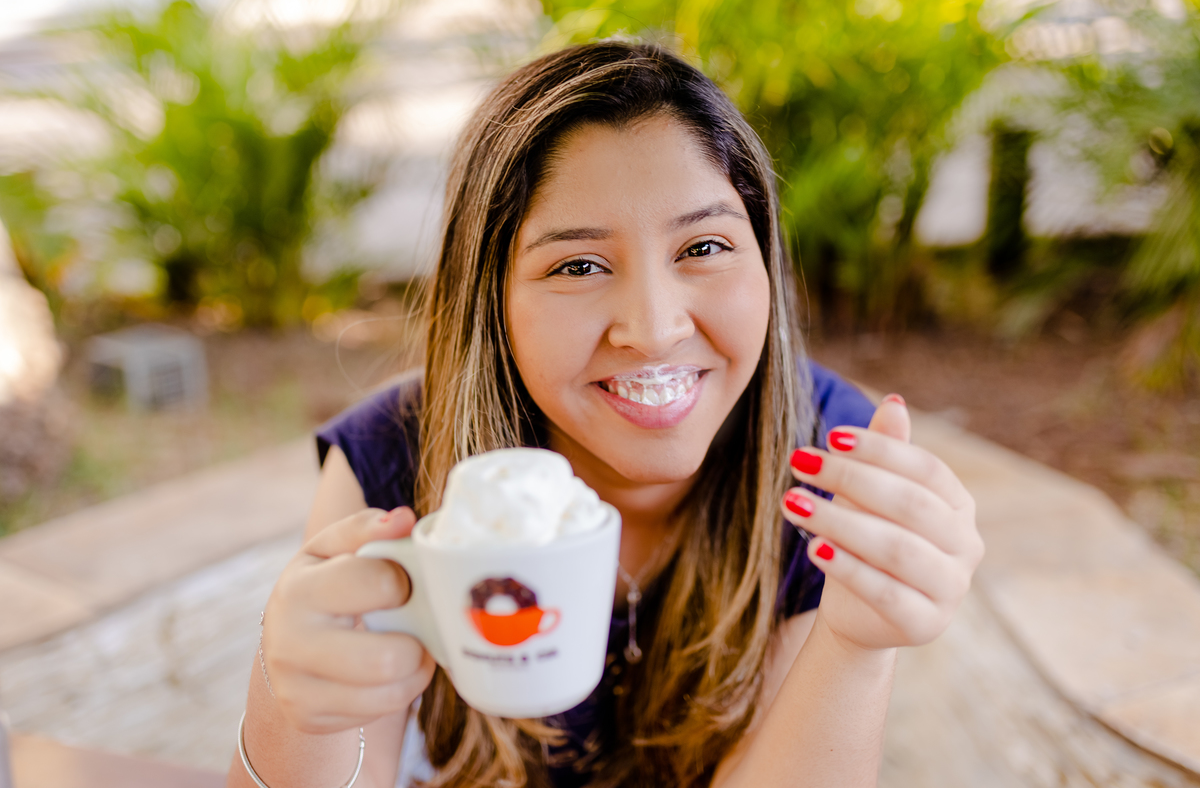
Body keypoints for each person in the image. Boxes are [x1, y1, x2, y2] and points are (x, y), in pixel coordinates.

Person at [228, 41, 983, 788]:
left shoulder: (826, 466)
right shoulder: (395, 455)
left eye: (705, 246)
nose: (654, 330)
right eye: (578, 265)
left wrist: (855, 642)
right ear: (491, 300)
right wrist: (294, 701)